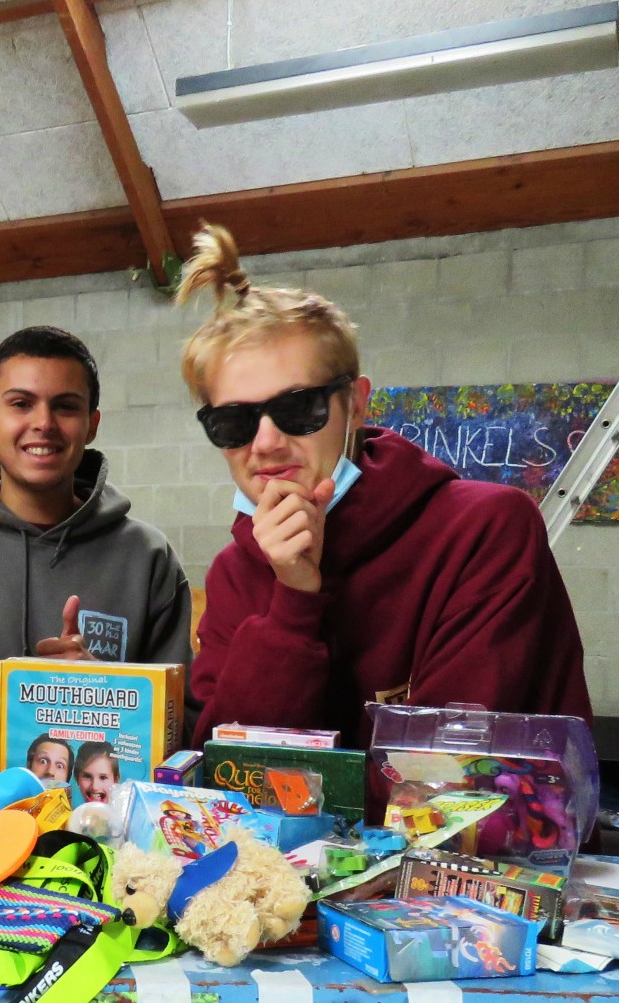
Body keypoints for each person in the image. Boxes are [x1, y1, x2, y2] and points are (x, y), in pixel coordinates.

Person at [177, 224, 591, 749]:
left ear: (355, 404)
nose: (265, 443)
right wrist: (293, 601)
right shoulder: (235, 573)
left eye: (298, 408)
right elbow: (226, 776)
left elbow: (448, 786)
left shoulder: (484, 530)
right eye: (232, 423)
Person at [0, 326, 196, 729]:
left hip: (97, 793)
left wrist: (103, 693)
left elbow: (182, 728)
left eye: (65, 407)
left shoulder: (147, 558)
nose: (44, 423)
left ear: (91, 424)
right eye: (21, 404)